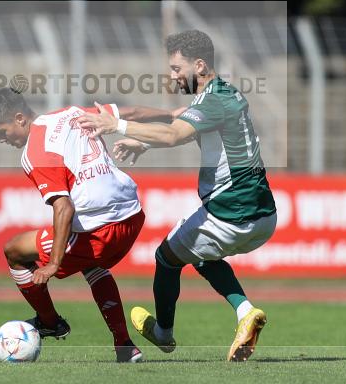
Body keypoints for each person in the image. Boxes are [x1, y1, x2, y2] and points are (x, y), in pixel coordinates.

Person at [78, 30, 278, 362]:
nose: (172, 76)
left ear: (199, 65)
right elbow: (182, 126)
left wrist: (117, 126)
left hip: (231, 215)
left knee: (166, 257)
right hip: (264, 216)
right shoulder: (224, 95)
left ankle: (164, 334)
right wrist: (142, 143)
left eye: (176, 68)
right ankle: (245, 311)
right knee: (199, 254)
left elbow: (173, 134)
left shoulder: (212, 100)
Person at [0, 88, 179, 363]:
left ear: (20, 118)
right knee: (90, 262)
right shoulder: (72, 113)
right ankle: (124, 347)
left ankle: (50, 322)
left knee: (14, 250)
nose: (1, 139)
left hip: (101, 229)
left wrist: (53, 263)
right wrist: (170, 115)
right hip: (132, 216)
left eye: (1, 130)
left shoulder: (35, 151)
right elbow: (129, 113)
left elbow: (64, 208)